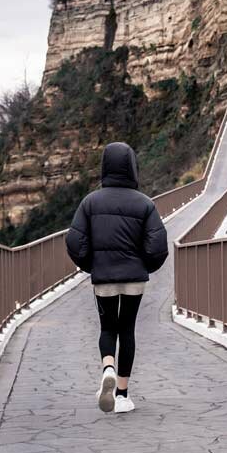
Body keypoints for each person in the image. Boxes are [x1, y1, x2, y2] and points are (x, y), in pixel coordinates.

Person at [65, 142, 168, 414]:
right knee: (128, 330)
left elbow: (75, 241)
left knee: (107, 328)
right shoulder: (145, 204)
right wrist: (144, 266)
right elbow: (158, 246)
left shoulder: (90, 202)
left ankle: (107, 367)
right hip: (134, 279)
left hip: (104, 278)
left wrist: (92, 266)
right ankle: (122, 394)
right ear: (132, 166)